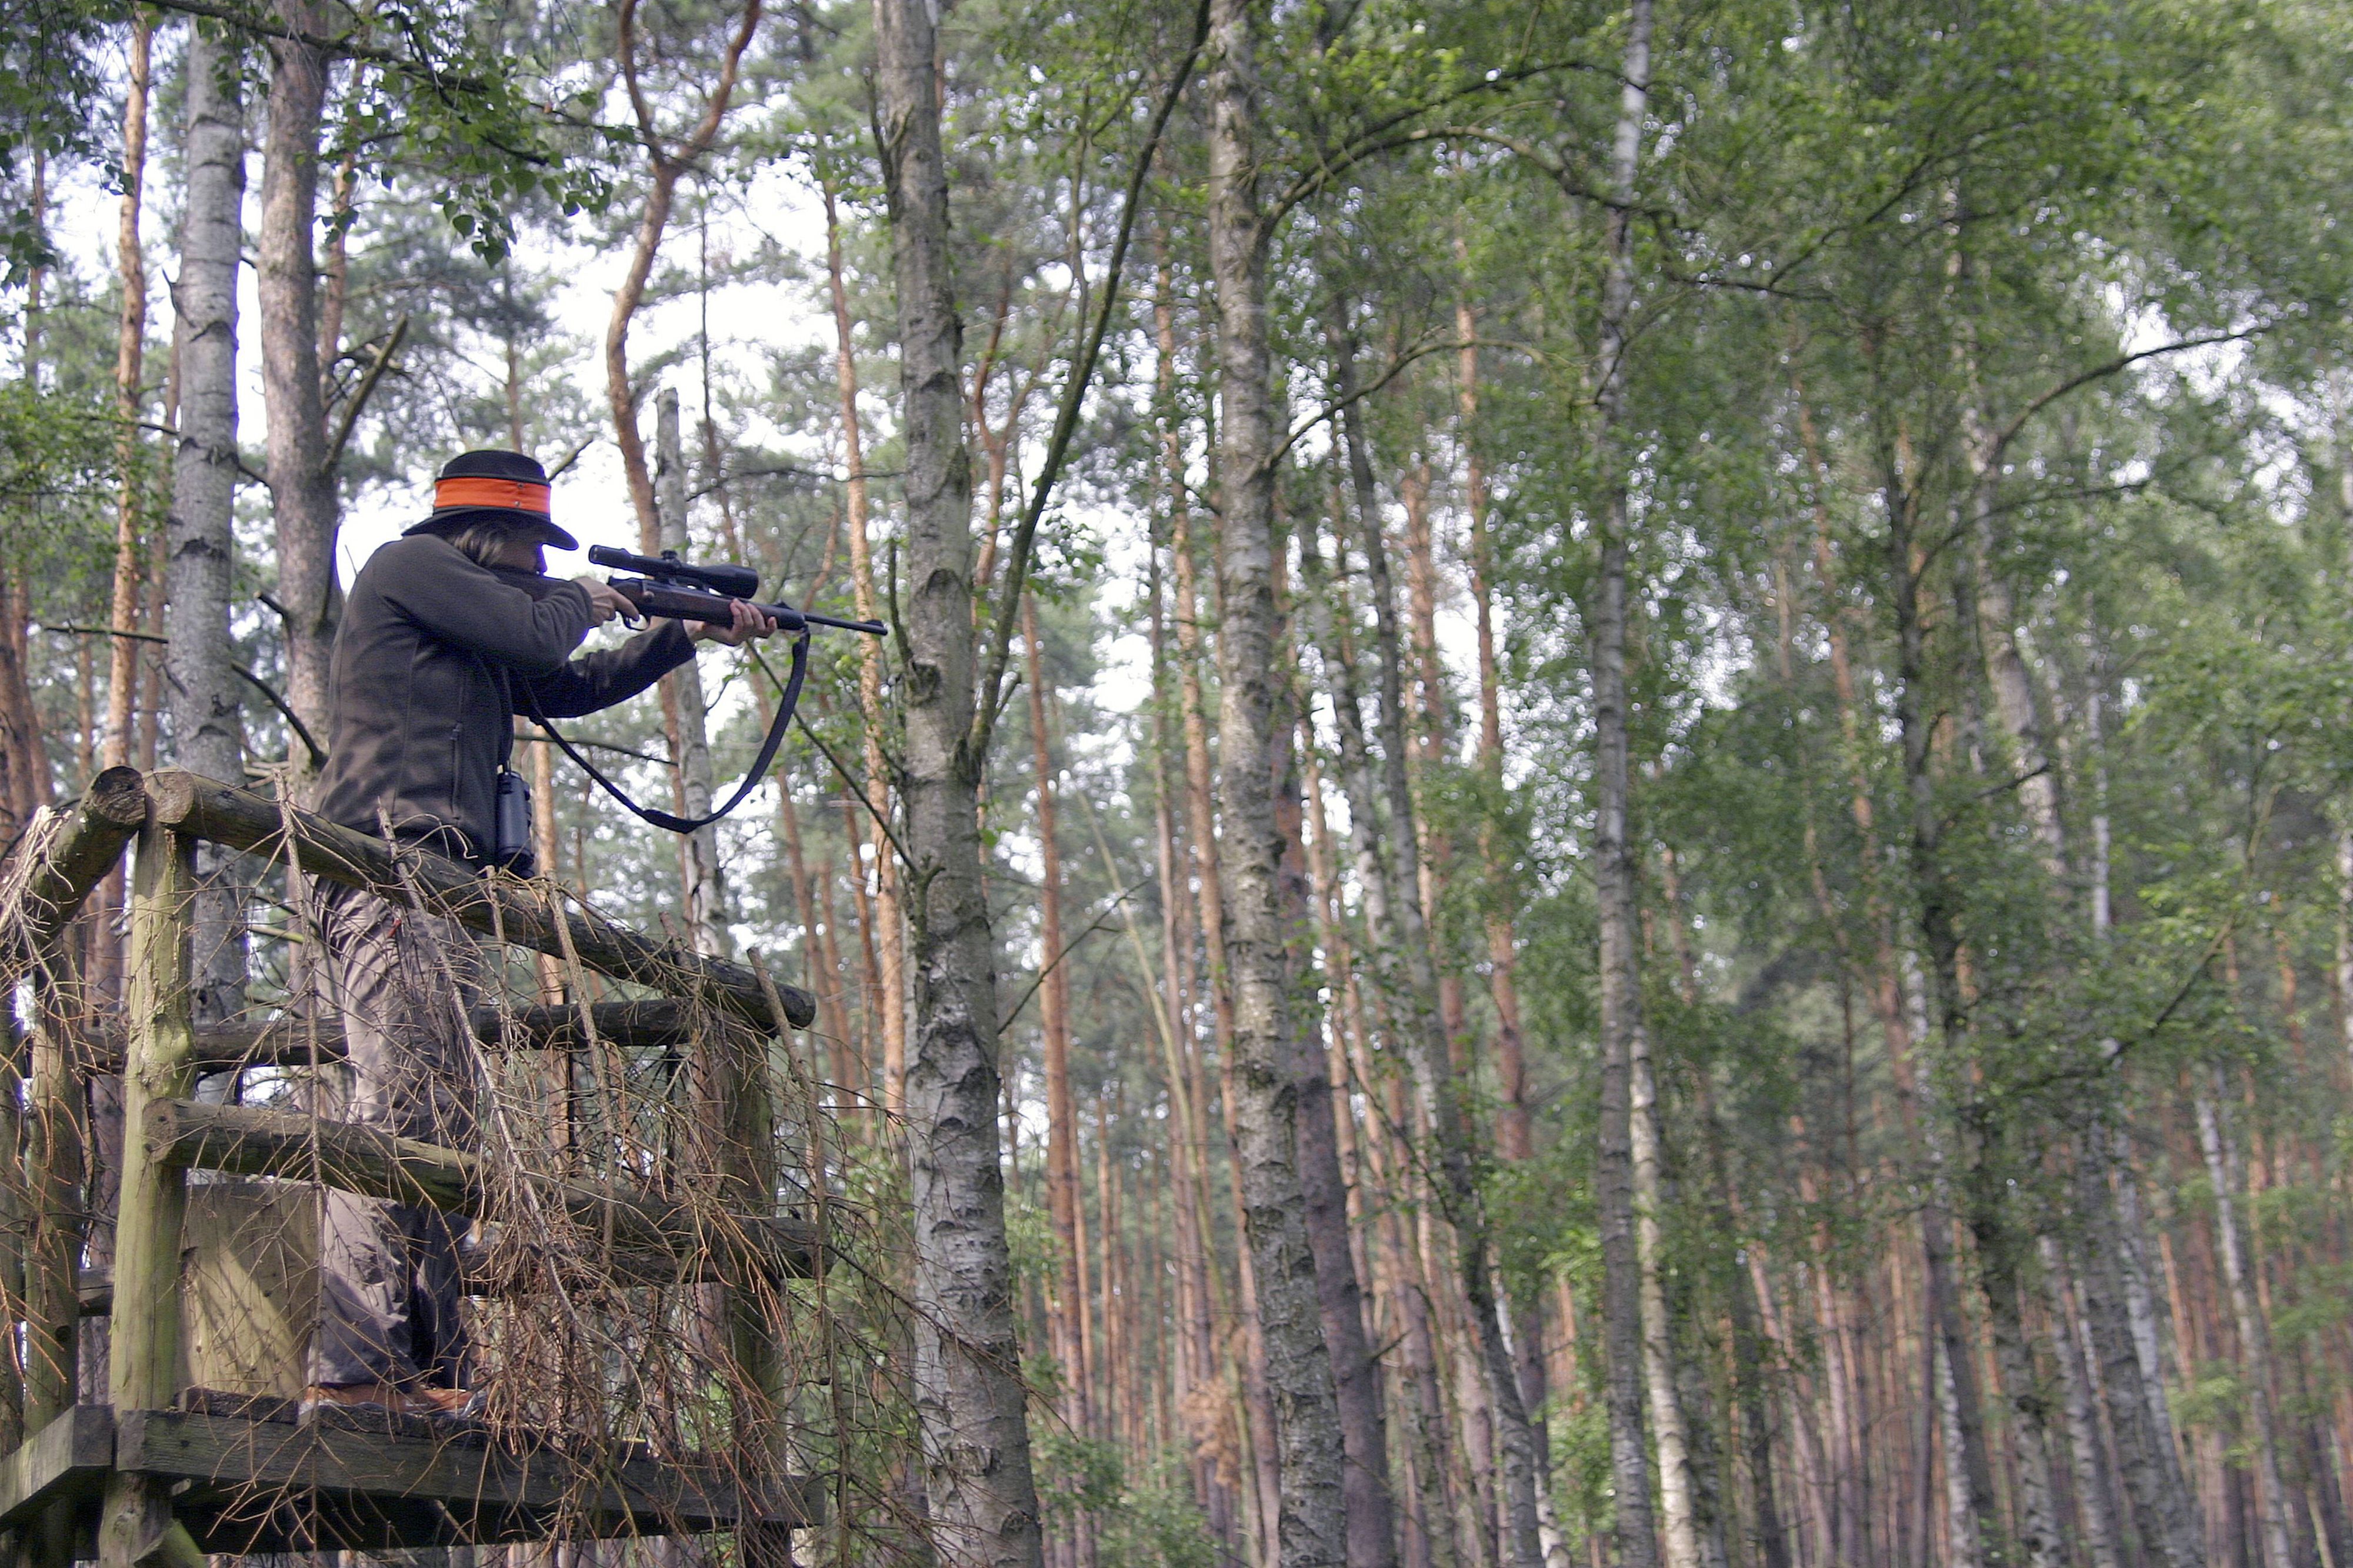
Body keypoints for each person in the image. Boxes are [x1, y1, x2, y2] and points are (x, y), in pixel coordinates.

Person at [303, 448, 774, 1417]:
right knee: (397, 1119)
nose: (536, 561)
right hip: (392, 871)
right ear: (488, 538)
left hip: (437, 886)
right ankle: (359, 1372)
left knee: (440, 1127)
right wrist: (594, 599)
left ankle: (428, 1372)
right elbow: (544, 636)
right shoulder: (409, 568)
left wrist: (680, 633)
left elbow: (563, 686)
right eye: (527, 543)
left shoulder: (480, 628)